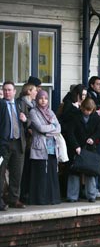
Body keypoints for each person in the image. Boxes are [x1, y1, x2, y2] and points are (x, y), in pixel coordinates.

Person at [28, 90, 61, 205]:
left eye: (46, 98)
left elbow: (59, 128)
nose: (43, 100)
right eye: (41, 98)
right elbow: (40, 128)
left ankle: (52, 198)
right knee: (41, 173)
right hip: (40, 146)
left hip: (52, 146)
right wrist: (52, 127)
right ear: (37, 99)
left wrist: (49, 129)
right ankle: (40, 199)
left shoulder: (50, 112)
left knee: (52, 173)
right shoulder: (33, 112)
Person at [66, 98, 100, 203]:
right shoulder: (75, 116)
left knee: (90, 171)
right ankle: (72, 196)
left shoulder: (95, 117)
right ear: (82, 108)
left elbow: (99, 130)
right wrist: (76, 146)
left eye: (90, 110)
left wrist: (93, 138)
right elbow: (70, 133)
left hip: (90, 147)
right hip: (76, 147)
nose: (88, 112)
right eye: (86, 110)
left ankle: (91, 195)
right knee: (74, 171)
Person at [0, 81, 27, 209]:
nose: (7, 92)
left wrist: (25, 120)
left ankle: (14, 199)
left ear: (15, 91)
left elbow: (29, 123)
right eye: (5, 90)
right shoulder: (0, 105)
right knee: (0, 173)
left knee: (17, 173)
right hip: (3, 145)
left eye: (9, 90)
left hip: (18, 143)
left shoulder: (20, 104)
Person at [17, 83, 37, 203]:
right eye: (35, 90)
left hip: (32, 141)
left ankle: (26, 193)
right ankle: (21, 195)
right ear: (29, 91)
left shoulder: (33, 104)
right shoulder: (21, 103)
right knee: (22, 169)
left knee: (28, 168)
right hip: (24, 140)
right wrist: (28, 126)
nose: (37, 92)